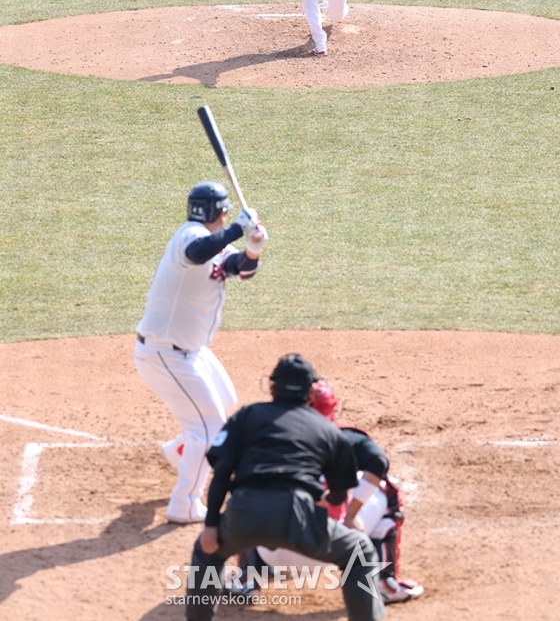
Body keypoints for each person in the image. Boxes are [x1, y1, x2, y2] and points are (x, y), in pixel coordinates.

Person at [186, 354, 386, 621]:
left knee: (206, 553)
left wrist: (211, 525)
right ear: (311, 393)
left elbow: (221, 471)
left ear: (272, 388)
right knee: (359, 552)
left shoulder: (247, 415)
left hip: (245, 512)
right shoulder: (326, 429)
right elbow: (340, 495)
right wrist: (325, 497)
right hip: (298, 515)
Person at [133, 181, 268, 524]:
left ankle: (180, 452)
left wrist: (253, 249)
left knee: (225, 401)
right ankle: (184, 505)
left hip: (190, 351)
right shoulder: (190, 237)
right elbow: (198, 253)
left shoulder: (212, 242)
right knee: (210, 429)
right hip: (165, 353)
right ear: (219, 212)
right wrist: (237, 228)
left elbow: (240, 268)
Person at [237, 378, 424, 605]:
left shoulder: (265, 436)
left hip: (273, 553)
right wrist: (351, 514)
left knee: (246, 491)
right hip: (333, 549)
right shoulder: (347, 438)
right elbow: (378, 462)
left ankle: (248, 577)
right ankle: (383, 584)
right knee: (388, 489)